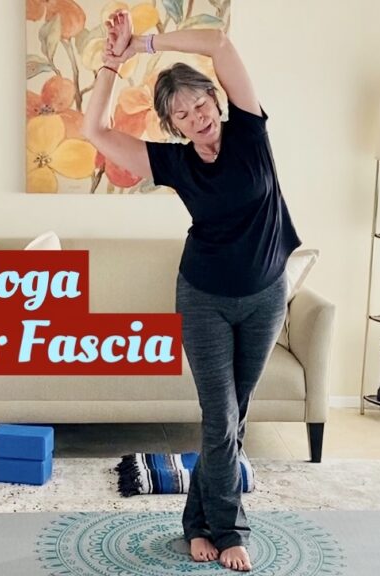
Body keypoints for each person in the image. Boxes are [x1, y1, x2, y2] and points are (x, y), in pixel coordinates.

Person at [82, 10, 302, 572]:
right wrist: (113, 61)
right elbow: (95, 132)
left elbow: (220, 42)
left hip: (265, 295)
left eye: (199, 103)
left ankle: (193, 523)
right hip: (203, 297)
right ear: (174, 125)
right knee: (219, 415)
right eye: (181, 114)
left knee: (232, 416)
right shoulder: (175, 162)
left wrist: (146, 43)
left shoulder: (251, 129)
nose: (195, 116)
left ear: (216, 98)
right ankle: (230, 532)